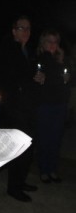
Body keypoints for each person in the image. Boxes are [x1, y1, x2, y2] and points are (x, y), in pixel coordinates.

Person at [0, 15, 44, 202]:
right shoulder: (8, 50)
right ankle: (13, 187)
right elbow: (9, 77)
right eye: (22, 28)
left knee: (28, 146)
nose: (26, 32)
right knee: (19, 147)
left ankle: (20, 181)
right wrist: (30, 78)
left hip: (27, 106)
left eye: (29, 28)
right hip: (15, 108)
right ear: (14, 30)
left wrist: (39, 78)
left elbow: (29, 75)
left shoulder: (27, 51)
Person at [35, 28, 71, 183]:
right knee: (44, 138)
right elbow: (37, 81)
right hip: (44, 104)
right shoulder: (39, 59)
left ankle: (52, 169)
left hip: (60, 104)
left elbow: (67, 81)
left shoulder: (61, 60)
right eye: (49, 41)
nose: (53, 44)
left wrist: (66, 73)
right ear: (43, 43)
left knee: (56, 139)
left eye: (55, 41)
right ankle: (44, 169)